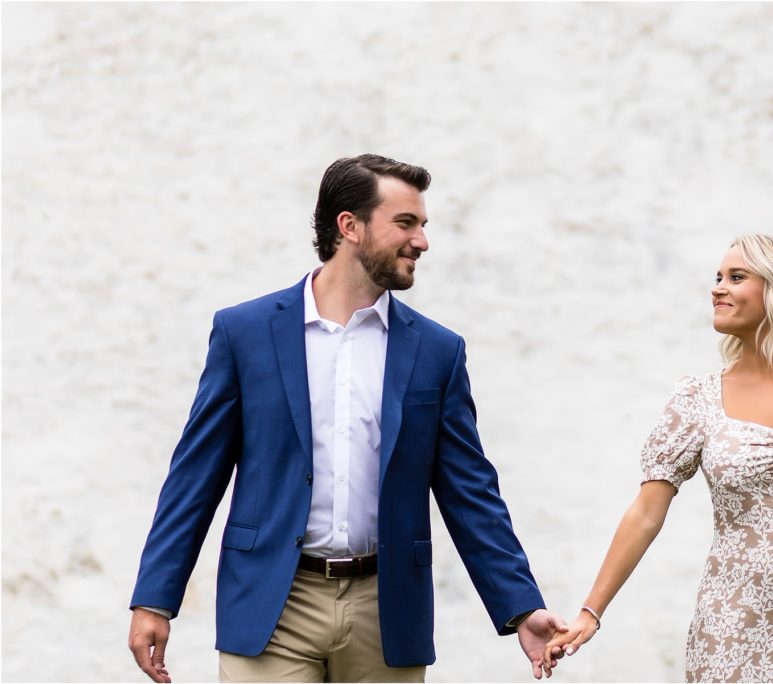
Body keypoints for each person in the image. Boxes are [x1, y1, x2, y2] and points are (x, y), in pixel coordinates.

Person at [128, 154, 567, 683]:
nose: (422, 241)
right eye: (405, 223)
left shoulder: (437, 351)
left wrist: (520, 605)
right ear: (349, 226)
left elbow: (470, 491)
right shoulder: (244, 333)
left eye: (423, 225)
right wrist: (154, 599)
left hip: (386, 612)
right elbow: (195, 477)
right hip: (273, 604)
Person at [543, 234, 773, 682]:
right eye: (718, 277)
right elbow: (646, 512)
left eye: (736, 277)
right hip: (730, 625)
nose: (717, 288)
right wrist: (591, 611)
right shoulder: (697, 398)